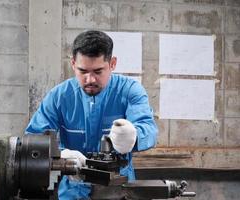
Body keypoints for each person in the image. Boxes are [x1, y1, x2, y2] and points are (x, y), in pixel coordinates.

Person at [26, 30, 158, 199]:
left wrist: (134, 136)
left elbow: (149, 129)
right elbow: (34, 138)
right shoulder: (59, 96)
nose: (90, 79)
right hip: (73, 190)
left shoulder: (130, 90)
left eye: (98, 71)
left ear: (112, 64)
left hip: (119, 190)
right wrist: (61, 155)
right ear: (73, 64)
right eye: (83, 71)